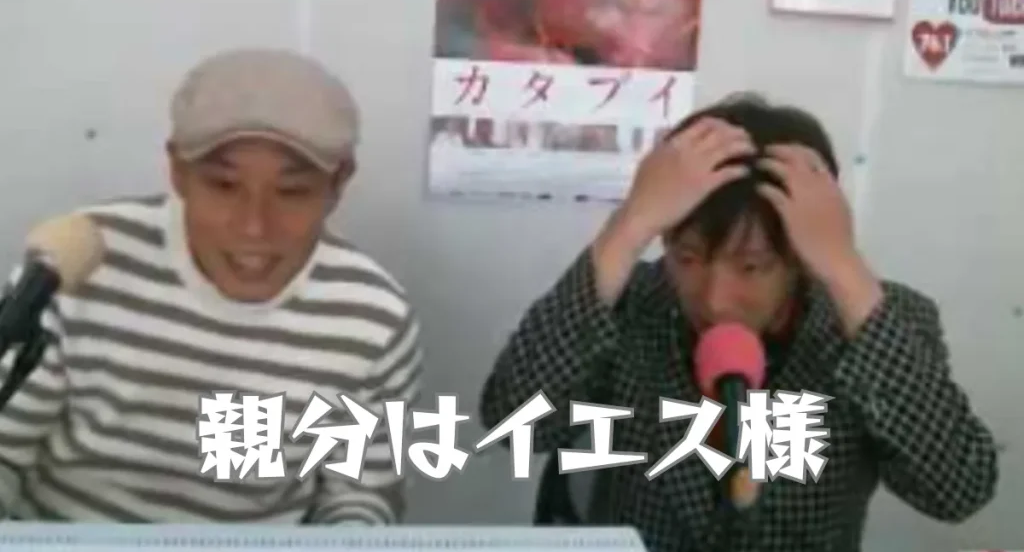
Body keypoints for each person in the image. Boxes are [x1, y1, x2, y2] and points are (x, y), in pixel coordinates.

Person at [479, 93, 998, 552]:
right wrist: (629, 224)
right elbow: (515, 423)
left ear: (800, 257)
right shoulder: (626, 302)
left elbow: (958, 490)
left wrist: (844, 267)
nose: (714, 298)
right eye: (688, 258)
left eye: (751, 266)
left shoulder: (875, 322)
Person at [0, 48, 423, 523]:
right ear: (178, 172)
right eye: (223, 186)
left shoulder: (373, 317)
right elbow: (5, 453)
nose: (253, 226)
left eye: (292, 192)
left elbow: (360, 494)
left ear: (339, 182)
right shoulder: (78, 261)